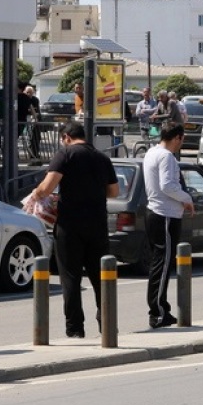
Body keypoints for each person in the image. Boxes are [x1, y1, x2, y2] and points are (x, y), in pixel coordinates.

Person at [29, 121, 119, 338]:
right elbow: (114, 191)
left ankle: (75, 329)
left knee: (70, 277)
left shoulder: (65, 154)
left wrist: (36, 193)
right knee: (101, 277)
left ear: (67, 137)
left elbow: (48, 186)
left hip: (70, 225)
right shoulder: (102, 158)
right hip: (97, 224)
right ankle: (107, 325)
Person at [142, 122, 194, 329]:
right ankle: (157, 311)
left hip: (156, 212)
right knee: (162, 265)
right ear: (177, 138)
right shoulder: (166, 157)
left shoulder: (151, 152)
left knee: (160, 263)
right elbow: (167, 185)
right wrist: (187, 198)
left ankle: (161, 307)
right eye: (182, 139)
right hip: (165, 214)